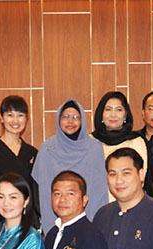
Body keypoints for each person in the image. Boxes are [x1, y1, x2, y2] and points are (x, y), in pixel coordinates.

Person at [31, 99, 108, 232]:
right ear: (58, 119)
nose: (70, 121)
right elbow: (39, 190)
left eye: (75, 117)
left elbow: (100, 190)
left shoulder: (95, 148)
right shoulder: (47, 149)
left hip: (89, 221)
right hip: (54, 222)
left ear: (82, 120)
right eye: (65, 116)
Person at [0, 95, 39, 232]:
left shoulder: (32, 153)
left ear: (26, 118)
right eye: (10, 115)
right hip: (1, 222)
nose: (15, 120)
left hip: (29, 223)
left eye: (20, 115)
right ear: (1, 118)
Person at [92, 91, 151, 197]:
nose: (113, 114)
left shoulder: (136, 141)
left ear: (125, 115)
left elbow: (143, 179)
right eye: (108, 109)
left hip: (130, 202)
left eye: (119, 110)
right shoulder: (89, 141)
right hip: (95, 202)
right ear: (101, 114)